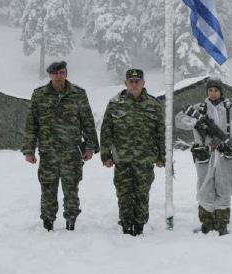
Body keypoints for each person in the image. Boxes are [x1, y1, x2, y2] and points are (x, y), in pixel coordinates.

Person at [21, 61, 99, 232]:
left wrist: (91, 147)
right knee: (48, 189)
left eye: (61, 72)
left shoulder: (78, 94)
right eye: (55, 73)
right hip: (48, 153)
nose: (58, 76)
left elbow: (87, 122)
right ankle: (48, 222)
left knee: (71, 188)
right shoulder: (39, 95)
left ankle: (71, 220)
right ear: (50, 75)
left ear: (66, 74)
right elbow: (31, 124)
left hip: (72, 153)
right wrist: (29, 150)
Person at [175, 77, 232, 236]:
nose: (213, 94)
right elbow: (179, 120)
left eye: (216, 90)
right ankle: (206, 224)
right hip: (204, 155)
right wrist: (194, 122)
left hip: (224, 154)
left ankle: (222, 224)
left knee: (224, 188)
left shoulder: (231, 109)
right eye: (210, 90)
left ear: (221, 91)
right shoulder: (198, 108)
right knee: (205, 188)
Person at [100, 69, 165, 236]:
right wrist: (106, 155)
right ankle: (126, 225)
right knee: (124, 193)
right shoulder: (115, 104)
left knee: (142, 194)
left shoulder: (154, 105)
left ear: (144, 83)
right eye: (131, 81)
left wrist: (162, 156)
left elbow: (161, 132)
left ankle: (140, 225)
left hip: (145, 159)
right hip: (122, 159)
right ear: (126, 84)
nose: (134, 84)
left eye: (137, 81)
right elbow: (106, 131)